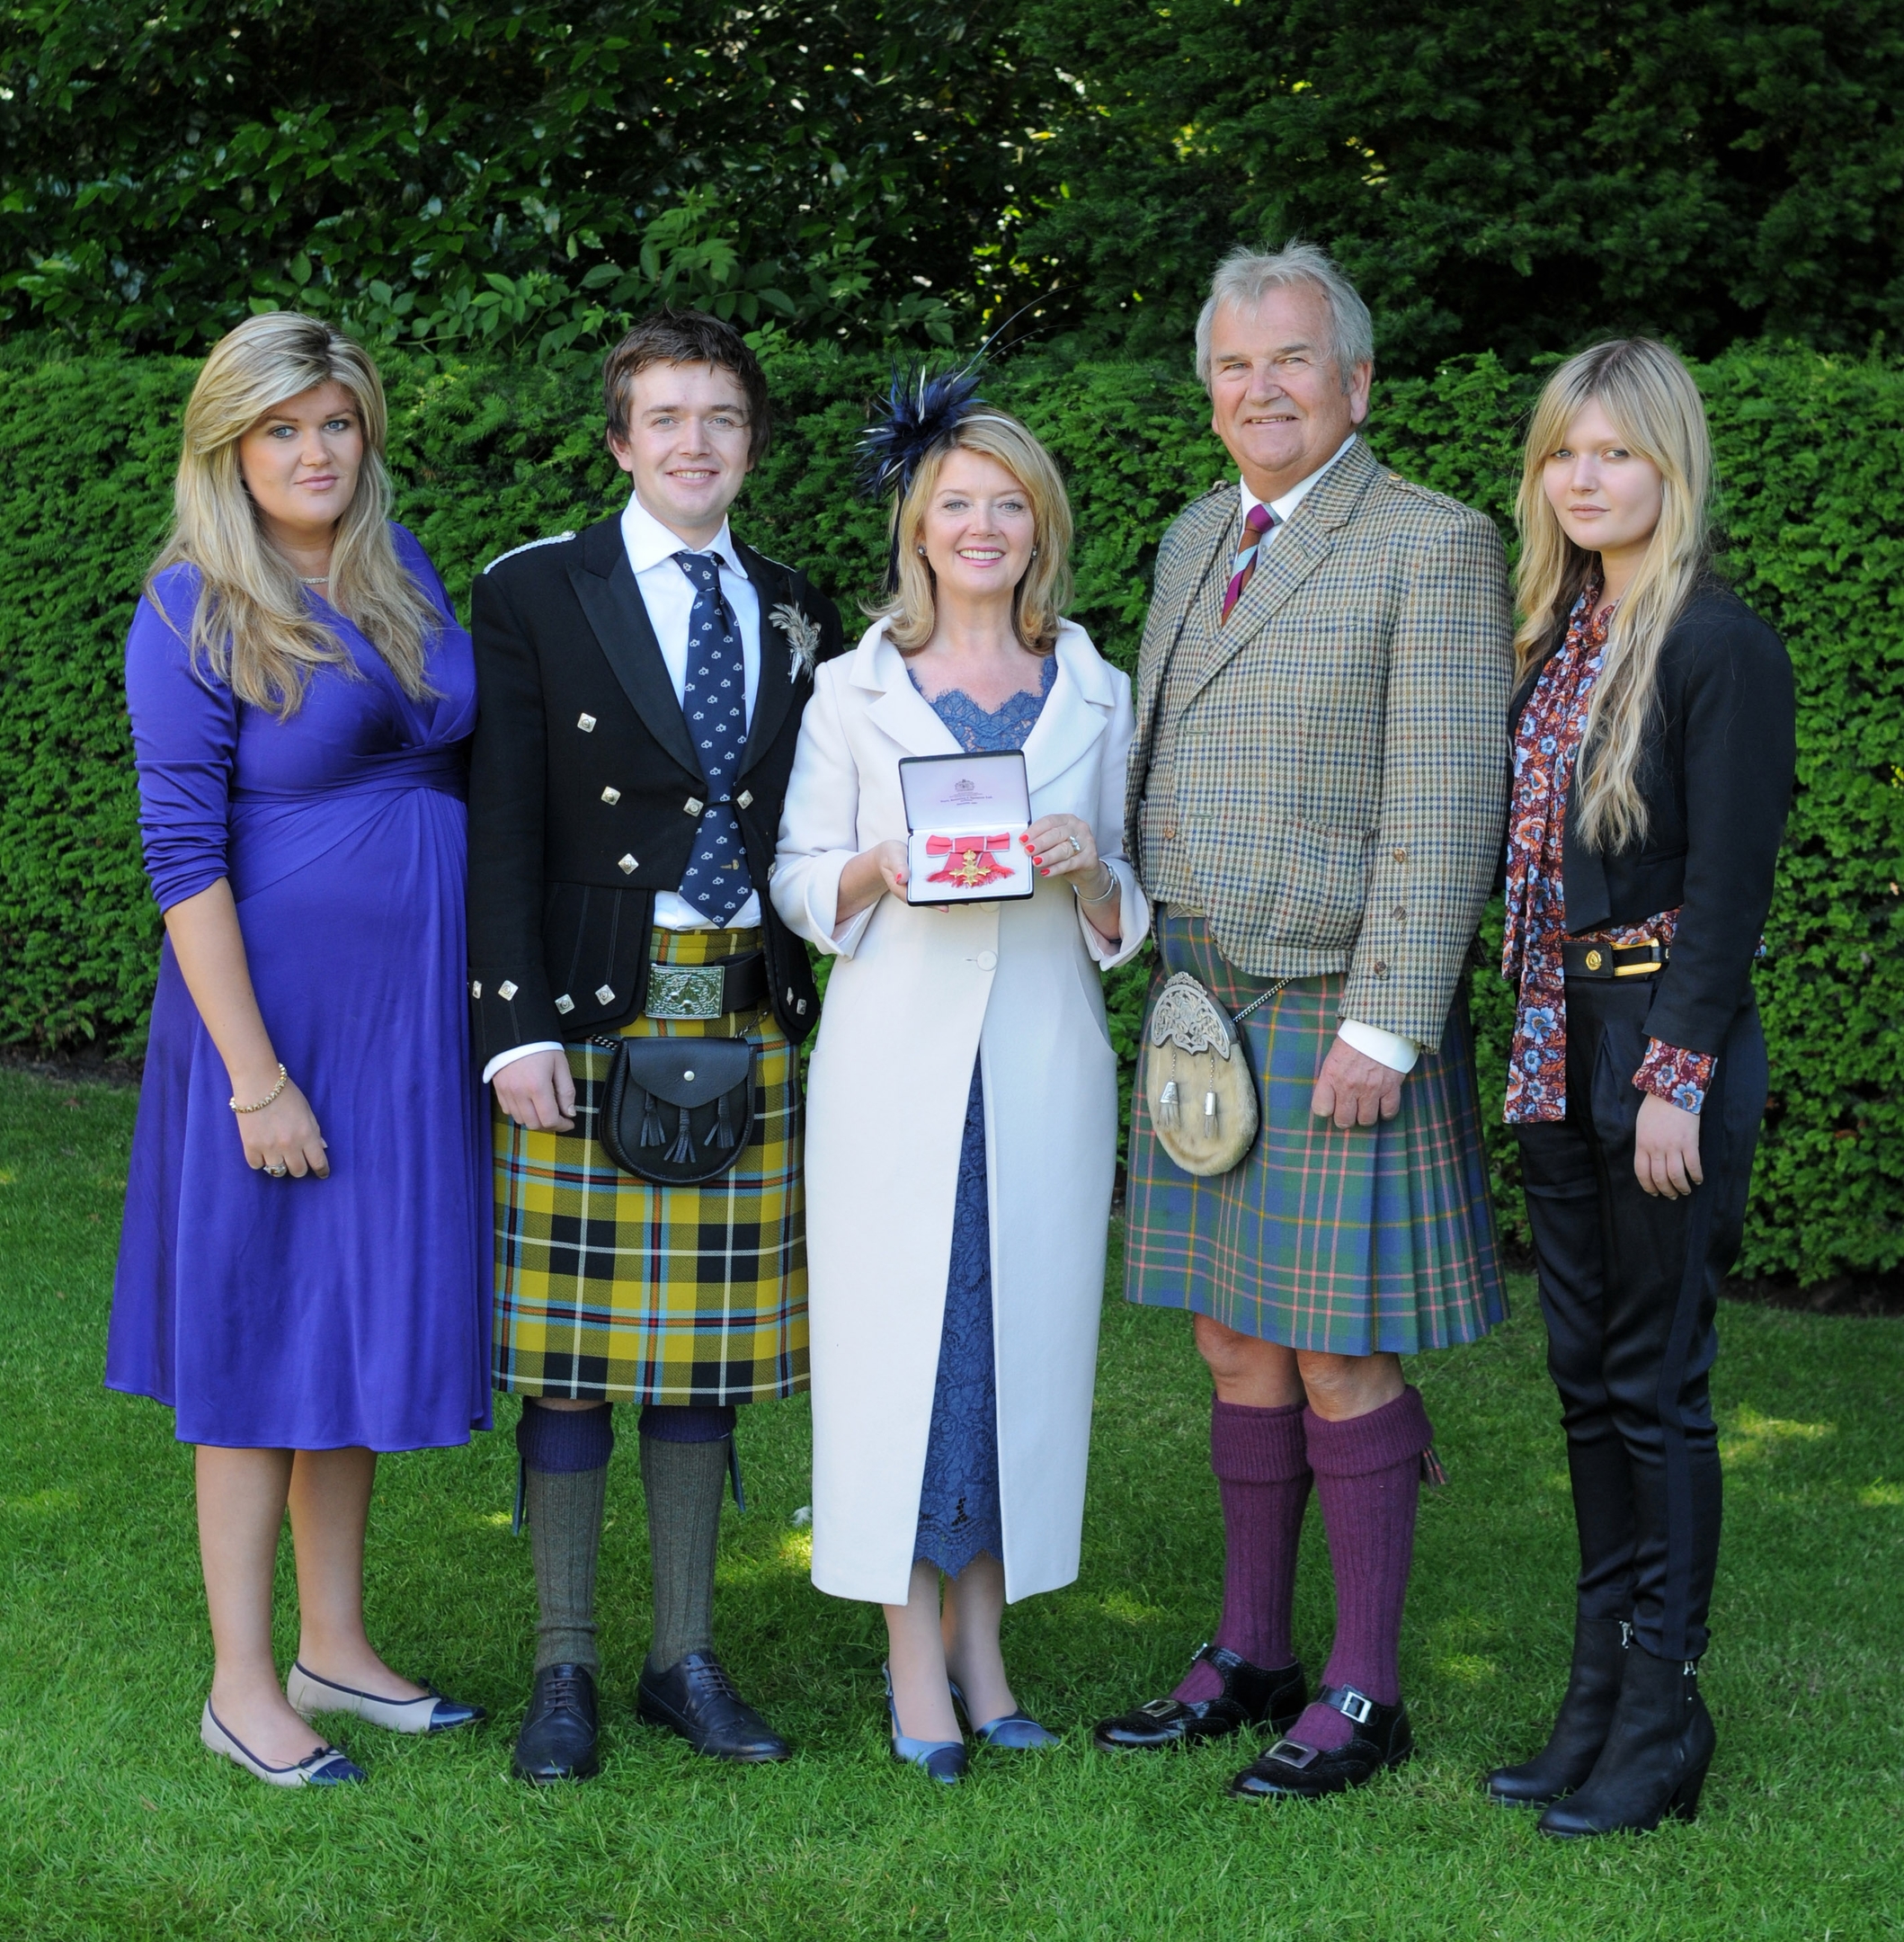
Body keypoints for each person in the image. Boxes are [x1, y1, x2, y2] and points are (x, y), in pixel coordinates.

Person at [1095, 241, 1512, 1800]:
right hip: (1201, 1005)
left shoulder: (1429, 543)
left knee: (1338, 1353)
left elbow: (1447, 795)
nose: (1257, 390)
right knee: (1230, 1340)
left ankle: (1365, 1685)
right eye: (1231, 366)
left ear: (1356, 382)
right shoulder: (1198, 533)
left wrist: (1391, 1024)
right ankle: (1250, 1648)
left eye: (1287, 362)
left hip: (1337, 1010)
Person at [107, 312, 490, 1788]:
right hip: (271, 1028)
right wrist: (253, 1077)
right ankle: (241, 1683)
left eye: (334, 423)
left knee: (352, 1319)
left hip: (405, 1031)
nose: (314, 452)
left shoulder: (401, 576)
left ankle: (337, 1642)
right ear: (230, 448)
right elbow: (182, 858)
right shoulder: (192, 603)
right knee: (263, 1332)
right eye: (281, 431)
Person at [468, 308, 843, 1782]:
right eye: (667, 419)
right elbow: (498, 825)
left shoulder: (796, 601)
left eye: (724, 419)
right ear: (620, 442)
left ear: (752, 442)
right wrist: (512, 1031)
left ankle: (682, 1657)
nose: (696, 444)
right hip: (587, 1011)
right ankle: (560, 1669)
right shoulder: (536, 593)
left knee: (703, 1366)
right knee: (569, 1366)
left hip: (745, 1012)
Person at [773, 388, 1148, 1783]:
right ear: (916, 530)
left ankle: (986, 1649)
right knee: (900, 1366)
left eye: (1007, 504)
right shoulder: (851, 690)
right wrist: (886, 864)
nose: (981, 526)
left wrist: (1089, 871)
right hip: (891, 1078)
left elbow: (1126, 904)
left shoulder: (1096, 689)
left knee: (1011, 1363)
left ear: (1036, 526)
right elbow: (801, 882)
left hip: (1041, 1071)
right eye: (955, 505)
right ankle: (906, 1658)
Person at [1483, 341, 1794, 1837]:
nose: (1584, 478)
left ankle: (1664, 1714)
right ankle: (1594, 1693)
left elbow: (1727, 891)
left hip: (1655, 1056)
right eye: (1563, 454)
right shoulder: (1552, 635)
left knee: (1658, 1393)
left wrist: (1670, 1080)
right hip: (1553, 1049)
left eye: (1614, 453)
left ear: (1669, 465)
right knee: (1584, 1385)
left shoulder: (1716, 643)